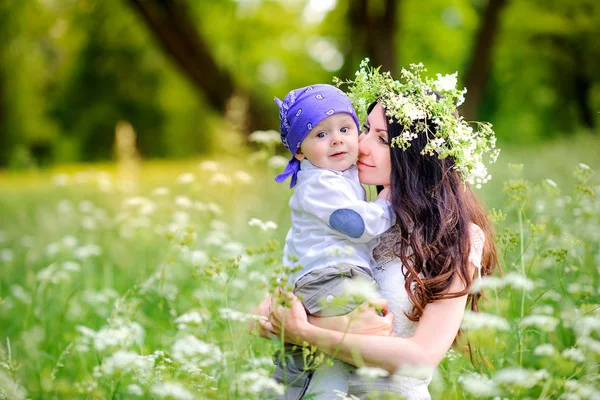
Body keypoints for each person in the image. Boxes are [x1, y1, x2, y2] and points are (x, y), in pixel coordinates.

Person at [257, 61, 499, 400]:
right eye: (365, 129)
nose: (360, 143)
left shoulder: (456, 237)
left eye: (382, 138)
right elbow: (264, 313)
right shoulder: (345, 217)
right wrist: (318, 327)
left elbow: (422, 359)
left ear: (415, 156)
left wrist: (306, 333)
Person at [271, 83, 397, 399]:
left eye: (345, 128)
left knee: (308, 356)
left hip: (330, 275)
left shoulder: (341, 171)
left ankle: (288, 390)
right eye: (321, 134)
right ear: (300, 151)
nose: (337, 139)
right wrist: (389, 204)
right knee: (366, 337)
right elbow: (355, 225)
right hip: (328, 277)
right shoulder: (317, 184)